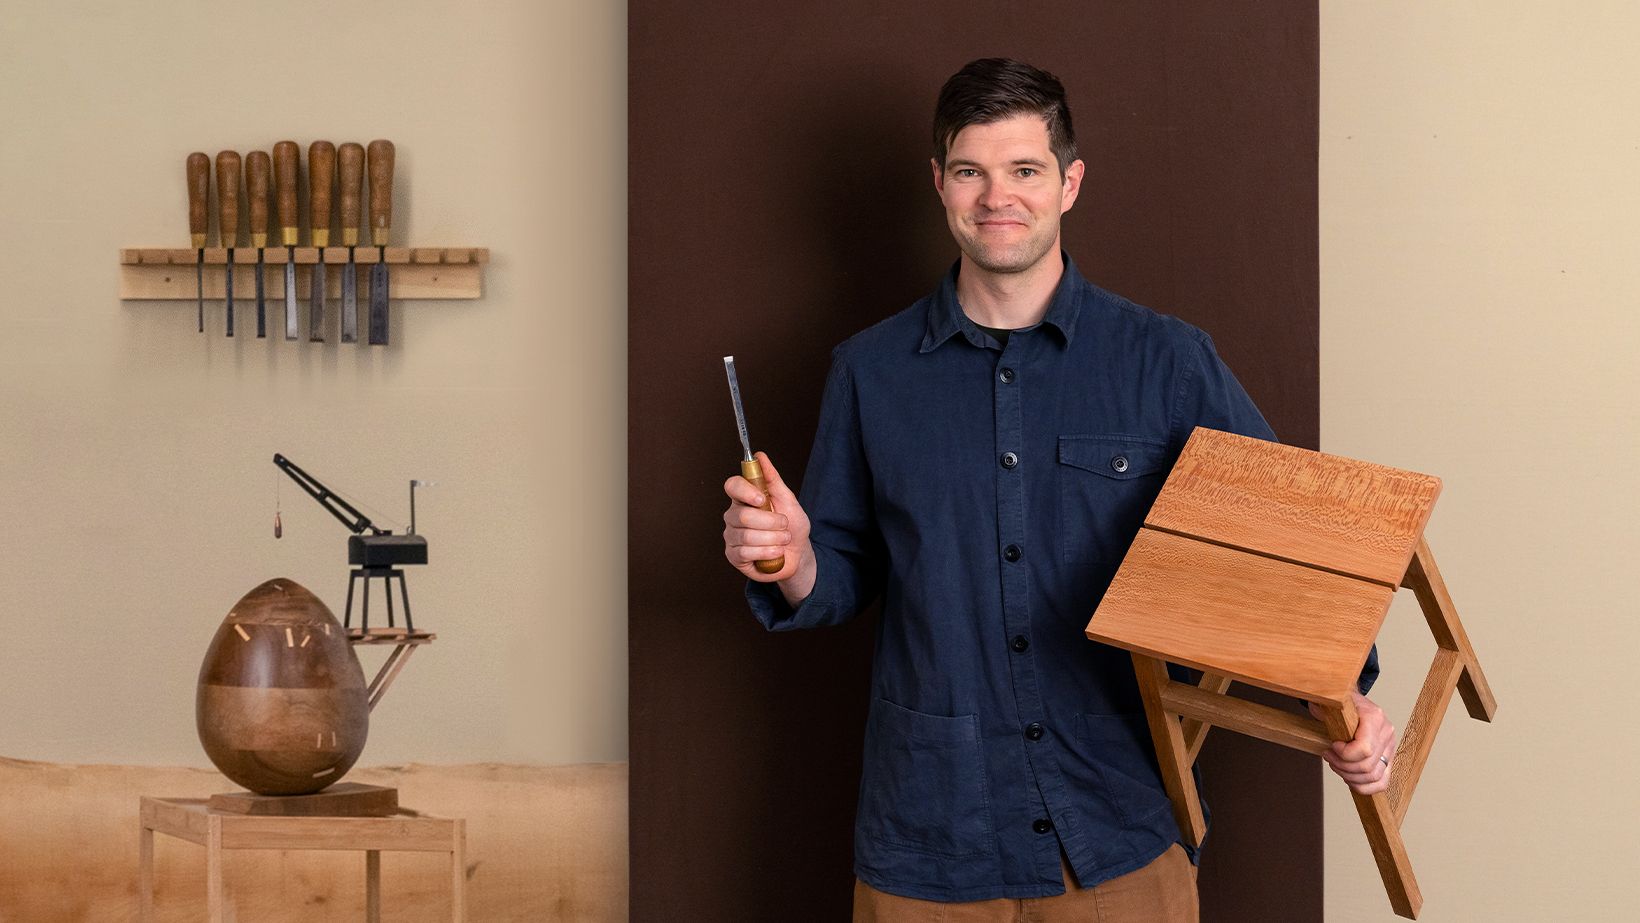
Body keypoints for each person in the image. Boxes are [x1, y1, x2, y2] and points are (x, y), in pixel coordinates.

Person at [720, 58, 1395, 922]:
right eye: (971, 171)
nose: (997, 195)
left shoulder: (1169, 361)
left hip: (1121, 829)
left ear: (1070, 183)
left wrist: (1350, 697)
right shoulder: (868, 372)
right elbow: (839, 574)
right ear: (940, 184)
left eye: (1025, 170)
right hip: (930, 836)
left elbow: (1287, 554)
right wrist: (795, 558)